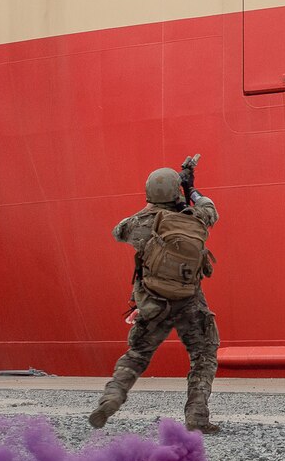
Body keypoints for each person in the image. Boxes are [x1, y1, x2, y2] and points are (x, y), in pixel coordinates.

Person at [92, 159, 222, 434]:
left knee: (138, 354)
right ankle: (197, 418)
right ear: (176, 193)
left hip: (153, 303)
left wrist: (152, 208)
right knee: (203, 354)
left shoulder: (138, 223)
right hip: (190, 301)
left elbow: (119, 231)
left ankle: (112, 398)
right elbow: (210, 209)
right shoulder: (195, 217)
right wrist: (191, 190)